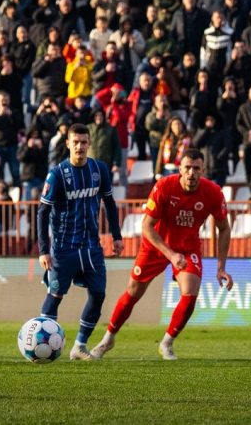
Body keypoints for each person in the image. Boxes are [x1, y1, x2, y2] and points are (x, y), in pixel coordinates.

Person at [91, 149, 233, 360]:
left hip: (187, 248)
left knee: (190, 292)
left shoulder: (213, 192)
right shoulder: (165, 186)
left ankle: (166, 343)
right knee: (133, 291)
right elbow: (147, 226)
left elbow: (224, 228)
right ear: (180, 169)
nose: (191, 173)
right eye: (187, 168)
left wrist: (221, 267)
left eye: (196, 169)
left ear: (203, 170)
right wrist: (170, 254)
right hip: (156, 245)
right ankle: (108, 339)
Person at [37, 123, 123, 360]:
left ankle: (79, 346)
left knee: (98, 294)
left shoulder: (99, 169)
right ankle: (41, 346)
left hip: (91, 247)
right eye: (75, 142)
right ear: (68, 144)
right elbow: (42, 212)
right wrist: (44, 250)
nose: (80, 146)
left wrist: (116, 236)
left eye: (84, 142)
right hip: (64, 249)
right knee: (55, 296)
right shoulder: (57, 175)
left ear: (89, 144)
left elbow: (110, 203)